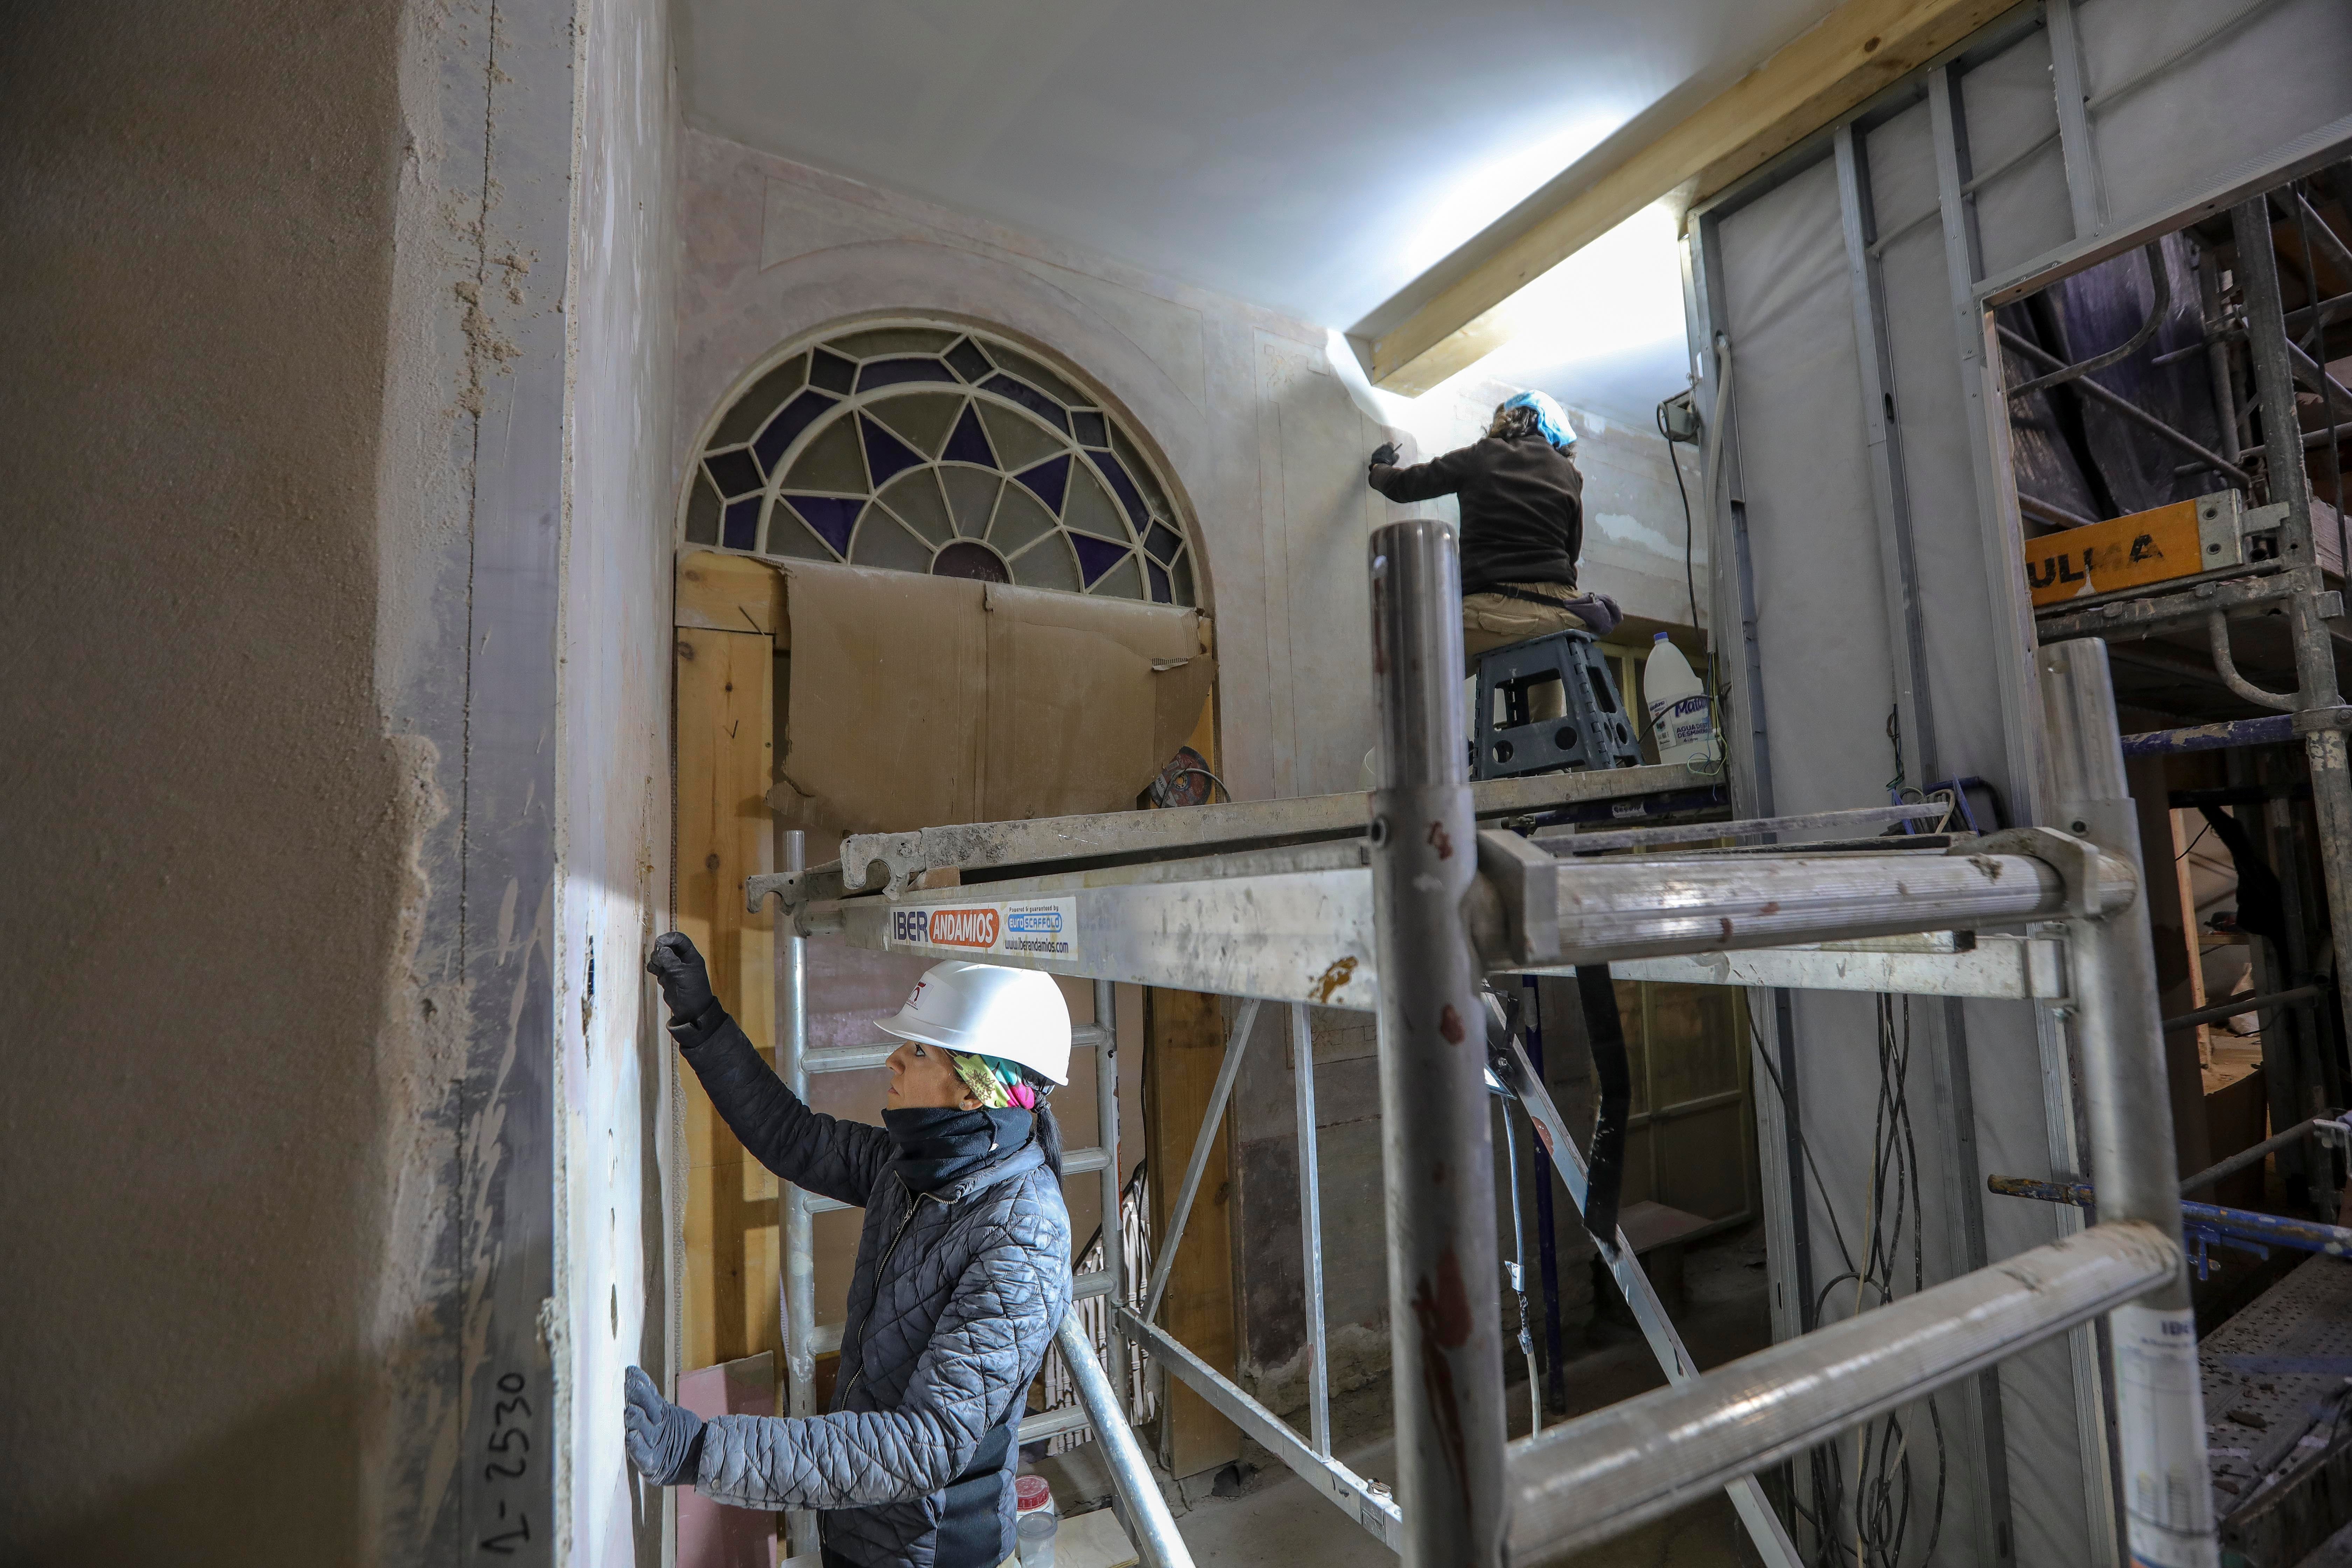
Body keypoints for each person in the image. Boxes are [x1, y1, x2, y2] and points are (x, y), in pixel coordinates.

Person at [623, 935, 1074, 1568]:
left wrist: (700, 1451)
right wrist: (703, 1020)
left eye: (919, 1050)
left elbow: (925, 1444)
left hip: (932, 1550)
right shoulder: (916, 1166)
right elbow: (796, 1139)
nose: (894, 1060)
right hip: (863, 1521)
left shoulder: (1022, 1234)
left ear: (976, 1090)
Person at [1365, 388, 1620, 658]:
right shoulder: (1570, 474)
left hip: (1492, 611)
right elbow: (1572, 553)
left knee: (1419, 660)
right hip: (1561, 613)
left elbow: (1405, 486)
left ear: (1509, 418)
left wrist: (1379, 468)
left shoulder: (1482, 455)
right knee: (1547, 675)